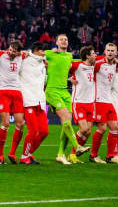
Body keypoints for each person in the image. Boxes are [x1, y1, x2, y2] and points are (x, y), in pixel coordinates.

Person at [44, 34, 89, 165]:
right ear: (56, 42)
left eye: (66, 39)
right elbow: (34, 55)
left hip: (64, 91)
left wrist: (70, 80)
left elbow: (64, 71)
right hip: (52, 91)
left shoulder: (69, 56)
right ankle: (77, 146)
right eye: (61, 39)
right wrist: (47, 55)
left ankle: (60, 154)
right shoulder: (49, 53)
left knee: (67, 123)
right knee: (65, 119)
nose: (64, 41)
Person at [0, 40, 26, 164]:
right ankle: (0, 155)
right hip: (3, 91)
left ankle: (12, 153)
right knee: (5, 123)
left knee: (21, 124)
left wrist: (44, 60)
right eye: (10, 49)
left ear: (18, 52)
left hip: (17, 92)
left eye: (14, 51)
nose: (11, 52)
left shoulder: (22, 56)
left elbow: (34, 55)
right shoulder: (0, 54)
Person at [91, 43, 118, 164]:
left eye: (112, 51)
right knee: (102, 128)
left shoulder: (114, 64)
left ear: (116, 53)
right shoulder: (98, 62)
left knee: (115, 127)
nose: (110, 52)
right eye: (108, 50)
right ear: (104, 51)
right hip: (98, 100)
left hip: (108, 100)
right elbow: (85, 66)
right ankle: (93, 155)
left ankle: (111, 156)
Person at [18, 42, 48, 165]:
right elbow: (12, 56)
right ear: (36, 50)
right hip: (28, 99)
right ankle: (24, 156)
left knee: (44, 132)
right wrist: (21, 53)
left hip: (40, 100)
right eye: (42, 51)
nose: (44, 53)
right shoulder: (24, 58)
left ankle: (28, 154)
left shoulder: (43, 62)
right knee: (33, 130)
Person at [69, 45, 98, 164]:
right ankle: (72, 151)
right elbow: (63, 68)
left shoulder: (94, 66)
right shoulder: (77, 65)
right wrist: (69, 79)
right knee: (84, 129)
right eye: (93, 53)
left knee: (88, 131)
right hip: (79, 101)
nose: (95, 55)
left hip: (90, 103)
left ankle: (73, 155)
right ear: (87, 56)